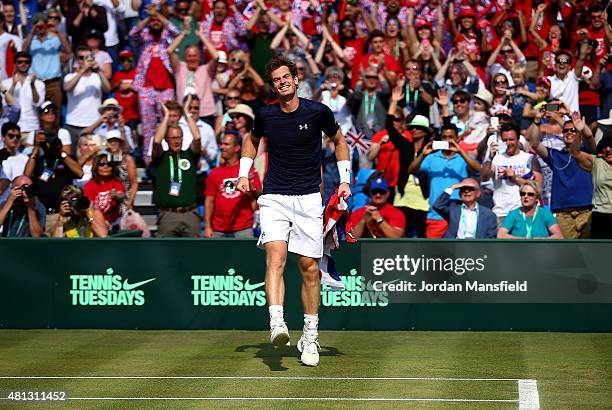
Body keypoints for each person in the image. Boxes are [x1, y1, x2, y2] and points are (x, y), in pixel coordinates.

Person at [236, 57, 351, 367]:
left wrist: (344, 182)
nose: (283, 81)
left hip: (309, 199)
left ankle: (310, 336)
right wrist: (244, 171)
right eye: (277, 78)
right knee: (275, 256)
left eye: (287, 76)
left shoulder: (318, 112)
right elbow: (252, 140)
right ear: (273, 85)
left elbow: (339, 141)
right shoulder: (266, 115)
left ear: (297, 80)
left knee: (309, 268)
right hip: (274, 196)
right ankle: (277, 323)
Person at [528, 110, 595, 239]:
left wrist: (578, 124)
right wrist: (536, 121)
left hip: (587, 211)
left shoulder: (587, 152)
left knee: (587, 252)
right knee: (568, 253)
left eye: (572, 130)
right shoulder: (555, 155)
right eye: (565, 131)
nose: (568, 133)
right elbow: (535, 143)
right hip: (563, 214)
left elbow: (589, 136)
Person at [408, 122, 481, 238]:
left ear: (457, 138)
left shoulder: (463, 158)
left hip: (459, 214)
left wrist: (460, 151)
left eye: (451, 137)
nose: (447, 140)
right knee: (434, 253)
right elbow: (411, 170)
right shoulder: (432, 158)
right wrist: (422, 155)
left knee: (459, 253)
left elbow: (478, 169)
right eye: (444, 137)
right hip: (435, 215)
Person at [151, 97, 201, 237]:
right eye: (173, 138)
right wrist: (166, 117)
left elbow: (197, 138)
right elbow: (156, 141)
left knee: (195, 253)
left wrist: (186, 113)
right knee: (166, 255)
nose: (176, 141)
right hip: (168, 214)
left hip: (190, 213)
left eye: (179, 137)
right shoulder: (162, 157)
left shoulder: (189, 155)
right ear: (167, 140)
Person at [23, 129, 84, 234]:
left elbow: (80, 173)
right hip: (42, 215)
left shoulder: (65, 159)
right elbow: (26, 176)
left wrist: (61, 152)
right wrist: (36, 147)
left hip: (62, 214)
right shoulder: (39, 161)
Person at [481, 123, 542, 223]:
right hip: (502, 213)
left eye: (511, 140)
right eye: (505, 140)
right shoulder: (496, 159)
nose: (508, 143)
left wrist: (515, 178)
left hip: (526, 212)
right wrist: (490, 158)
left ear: (518, 139)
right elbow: (484, 177)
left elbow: (538, 188)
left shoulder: (529, 159)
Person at [204, 132, 261, 238]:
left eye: (226, 144)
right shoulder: (215, 173)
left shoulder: (248, 171)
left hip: (243, 228)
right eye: (221, 144)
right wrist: (208, 227)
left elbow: (259, 196)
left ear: (237, 148)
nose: (222, 147)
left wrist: (251, 187)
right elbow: (209, 202)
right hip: (218, 229)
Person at [63, 46, 112, 152]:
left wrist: (98, 70)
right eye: (81, 58)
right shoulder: (70, 76)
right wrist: (83, 70)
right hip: (73, 124)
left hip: (94, 124)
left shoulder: (97, 77)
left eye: (88, 57)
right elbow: (67, 87)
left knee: (94, 158)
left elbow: (107, 89)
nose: (85, 60)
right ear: (77, 60)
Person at [432, 178, 498, 239]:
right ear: (460, 193)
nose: (466, 191)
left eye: (470, 189)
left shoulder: (488, 214)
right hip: (454, 247)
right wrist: (452, 187)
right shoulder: (453, 207)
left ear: (478, 193)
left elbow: (491, 237)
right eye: (463, 188)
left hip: (476, 247)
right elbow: (437, 206)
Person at [498, 181, 563, 239]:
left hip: (540, 249)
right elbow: (501, 235)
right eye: (523, 194)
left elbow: (559, 236)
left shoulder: (545, 214)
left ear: (537, 198)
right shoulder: (513, 214)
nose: (526, 196)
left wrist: (543, 240)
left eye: (530, 194)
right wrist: (521, 239)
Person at [1, 51, 44, 135]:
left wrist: (32, 85)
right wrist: (13, 85)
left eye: (26, 62)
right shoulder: (6, 83)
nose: (23, 64)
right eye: (20, 62)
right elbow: (5, 103)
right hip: (11, 128)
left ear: (30, 64)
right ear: (15, 64)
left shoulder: (39, 84)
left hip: (31, 127)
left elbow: (37, 103)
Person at [83, 153, 126, 231]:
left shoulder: (117, 183)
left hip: (114, 223)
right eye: (101, 164)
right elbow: (90, 208)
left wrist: (116, 195)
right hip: (94, 221)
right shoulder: (89, 185)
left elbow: (121, 195)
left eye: (109, 164)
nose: (105, 166)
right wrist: (98, 222)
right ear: (96, 167)